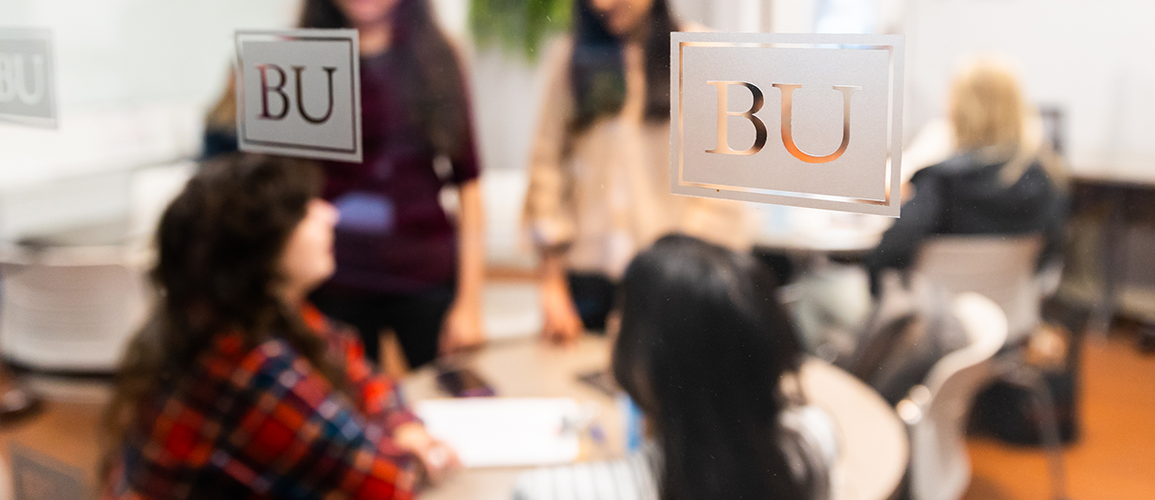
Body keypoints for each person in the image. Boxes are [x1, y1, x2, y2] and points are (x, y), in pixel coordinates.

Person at [101, 155, 457, 499]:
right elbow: (389, 483)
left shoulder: (251, 315)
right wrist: (423, 455)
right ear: (262, 249)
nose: (329, 214)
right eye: (304, 211)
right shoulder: (251, 362)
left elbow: (363, 377)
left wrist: (402, 427)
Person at [512, 235, 829, 500]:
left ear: (649, 365)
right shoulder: (815, 443)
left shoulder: (550, 491)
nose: (612, 323)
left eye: (624, 312)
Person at [524, 0, 752, 342]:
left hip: (671, 282)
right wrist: (552, 284)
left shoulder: (700, 52)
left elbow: (725, 185)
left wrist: (678, 273)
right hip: (585, 281)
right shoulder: (571, 57)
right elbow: (546, 169)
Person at [297, 0, 485, 369]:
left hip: (425, 277)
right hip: (335, 281)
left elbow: (470, 187)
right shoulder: (303, 61)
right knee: (349, 415)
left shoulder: (437, 57)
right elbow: (288, 190)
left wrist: (470, 303)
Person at [864, 56, 1070, 295]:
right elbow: (1046, 258)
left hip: (937, 322)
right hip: (1010, 314)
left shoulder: (940, 183)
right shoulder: (1048, 179)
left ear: (959, 107)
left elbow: (885, 257)